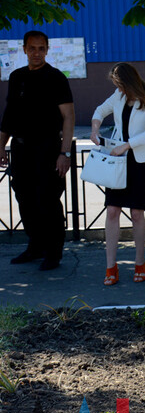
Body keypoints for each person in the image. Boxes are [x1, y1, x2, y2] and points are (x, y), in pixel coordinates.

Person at [0, 31, 75, 271]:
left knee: (48, 200)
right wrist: (1, 145)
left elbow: (69, 116)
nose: (36, 53)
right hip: (21, 148)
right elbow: (9, 116)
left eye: (41, 48)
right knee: (25, 198)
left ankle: (53, 253)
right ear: (24, 49)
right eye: (32, 48)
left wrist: (64, 153)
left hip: (48, 148)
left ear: (47, 50)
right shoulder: (17, 77)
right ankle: (35, 246)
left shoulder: (56, 78)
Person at [90, 63, 145, 285]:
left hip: (140, 161)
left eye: (120, 85)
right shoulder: (119, 95)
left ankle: (139, 263)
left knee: (137, 213)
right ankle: (110, 266)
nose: (119, 89)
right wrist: (95, 129)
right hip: (118, 161)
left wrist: (127, 145)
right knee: (112, 210)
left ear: (130, 82)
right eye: (116, 86)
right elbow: (100, 110)